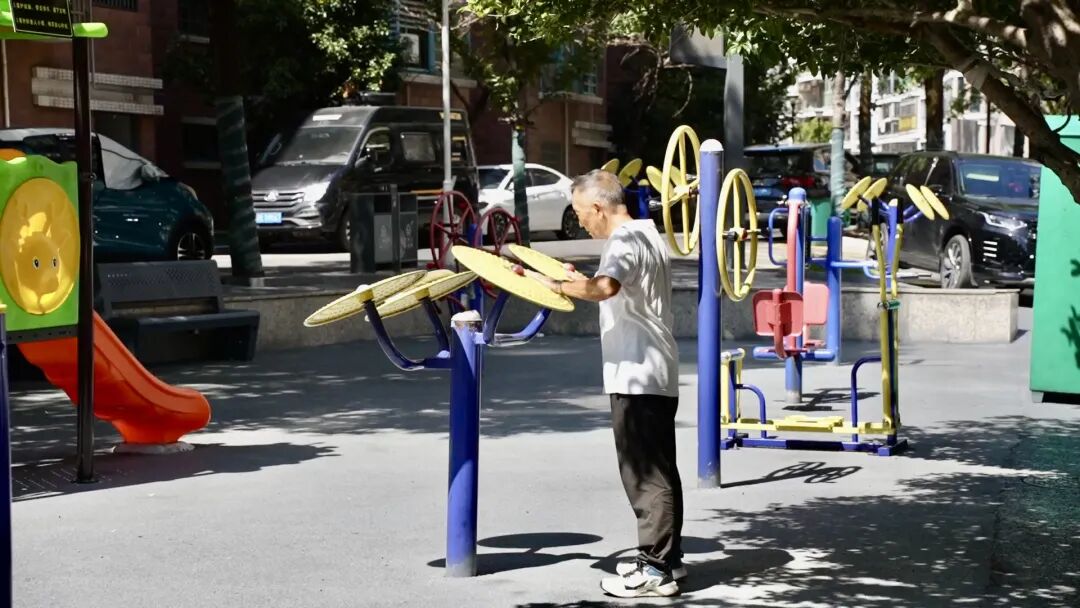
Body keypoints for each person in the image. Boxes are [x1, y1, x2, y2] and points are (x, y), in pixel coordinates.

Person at [533, 169, 684, 598]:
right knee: (661, 470)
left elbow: (605, 287)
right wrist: (576, 278)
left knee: (644, 474)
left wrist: (555, 285)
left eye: (581, 212)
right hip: (656, 369)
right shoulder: (646, 234)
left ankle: (654, 569)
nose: (580, 221)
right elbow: (617, 285)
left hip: (636, 372)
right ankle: (669, 559)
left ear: (599, 208)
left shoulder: (622, 241)